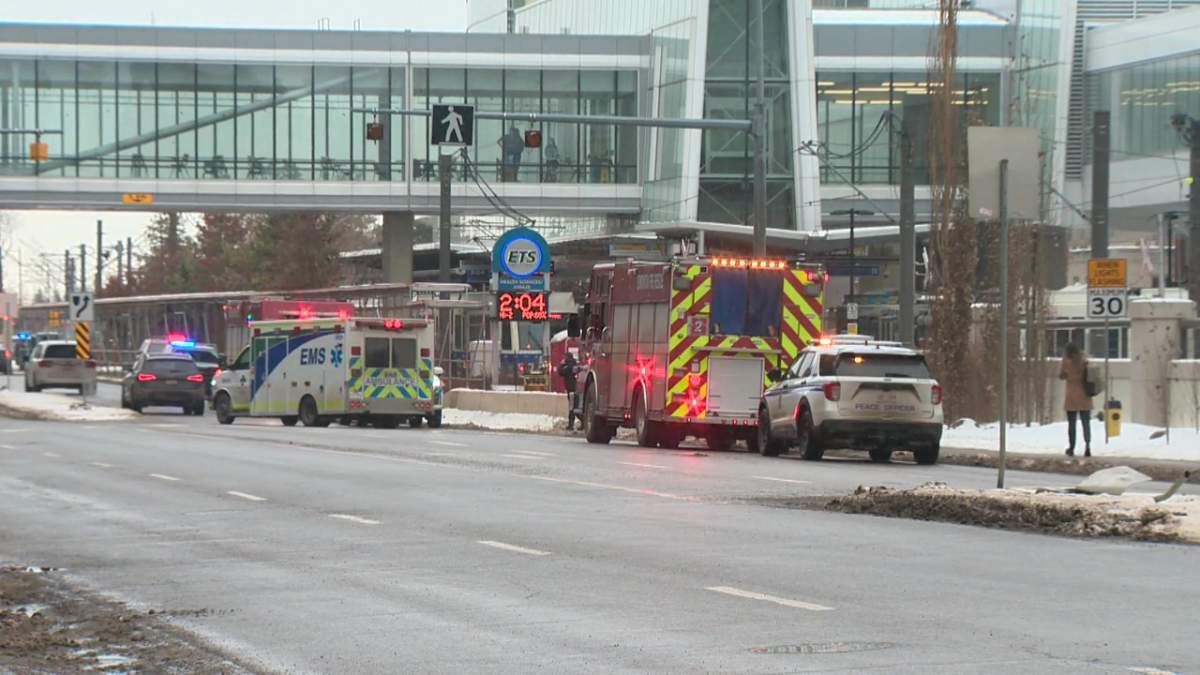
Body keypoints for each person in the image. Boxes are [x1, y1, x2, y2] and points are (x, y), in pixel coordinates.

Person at [1058, 343, 1093, 457]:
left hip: (1071, 396)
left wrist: (1067, 374)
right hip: (1085, 395)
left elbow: (1061, 376)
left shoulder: (1066, 361)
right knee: (1086, 423)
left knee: (1071, 424)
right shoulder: (1084, 359)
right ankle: (1087, 446)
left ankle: (1071, 448)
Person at [558, 350, 579, 431]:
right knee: (573, 406)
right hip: (571, 389)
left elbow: (561, 371)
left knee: (572, 407)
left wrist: (562, 364)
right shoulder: (572, 364)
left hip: (571, 389)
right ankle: (576, 424)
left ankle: (571, 425)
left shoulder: (569, 365)